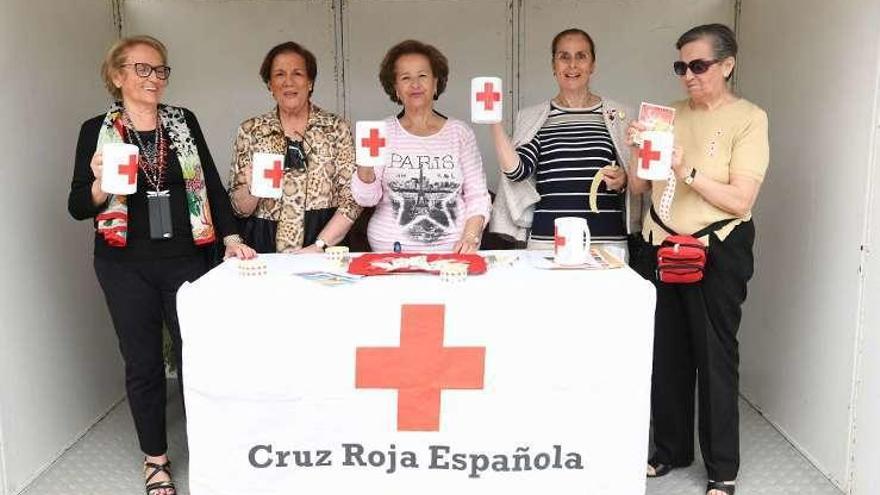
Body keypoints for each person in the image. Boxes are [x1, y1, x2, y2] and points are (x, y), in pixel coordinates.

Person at [67, 36, 255, 495]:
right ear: (117, 75)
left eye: (161, 70)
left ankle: (212, 450)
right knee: (144, 363)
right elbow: (77, 206)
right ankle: (156, 460)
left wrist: (231, 236)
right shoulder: (96, 129)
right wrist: (97, 185)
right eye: (143, 69)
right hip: (123, 264)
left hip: (188, 259)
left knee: (201, 359)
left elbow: (209, 183)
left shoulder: (182, 122)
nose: (155, 78)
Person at [626, 24, 769, 495]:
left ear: (727, 65)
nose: (687, 75)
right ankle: (668, 449)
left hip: (717, 248)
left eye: (698, 65)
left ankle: (721, 469)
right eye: (680, 66)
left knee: (714, 357)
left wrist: (684, 168)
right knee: (666, 353)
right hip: (660, 243)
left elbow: (740, 198)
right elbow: (641, 187)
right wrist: (637, 155)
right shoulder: (667, 116)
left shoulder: (749, 118)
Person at [488, 28, 641, 259]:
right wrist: (494, 121)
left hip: (607, 243)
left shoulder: (620, 115)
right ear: (553, 65)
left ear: (593, 65)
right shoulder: (536, 117)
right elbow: (517, 172)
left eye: (581, 56)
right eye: (564, 56)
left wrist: (623, 180)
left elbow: (639, 182)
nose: (572, 65)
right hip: (548, 243)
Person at [351, 39, 491, 252]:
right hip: (390, 254)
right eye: (405, 78)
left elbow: (478, 196)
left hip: (453, 254)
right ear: (395, 88)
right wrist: (365, 165)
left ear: (436, 83)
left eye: (422, 76)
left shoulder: (459, 133)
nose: (415, 84)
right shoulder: (381, 132)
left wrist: (470, 238)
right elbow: (366, 198)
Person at [228, 41, 362, 253]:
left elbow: (353, 200)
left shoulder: (336, 128)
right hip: (263, 248)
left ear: (310, 82)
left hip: (325, 245)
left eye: (297, 73)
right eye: (279, 74)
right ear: (270, 84)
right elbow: (238, 209)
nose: (288, 82)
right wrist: (252, 190)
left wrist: (319, 246)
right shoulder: (251, 130)